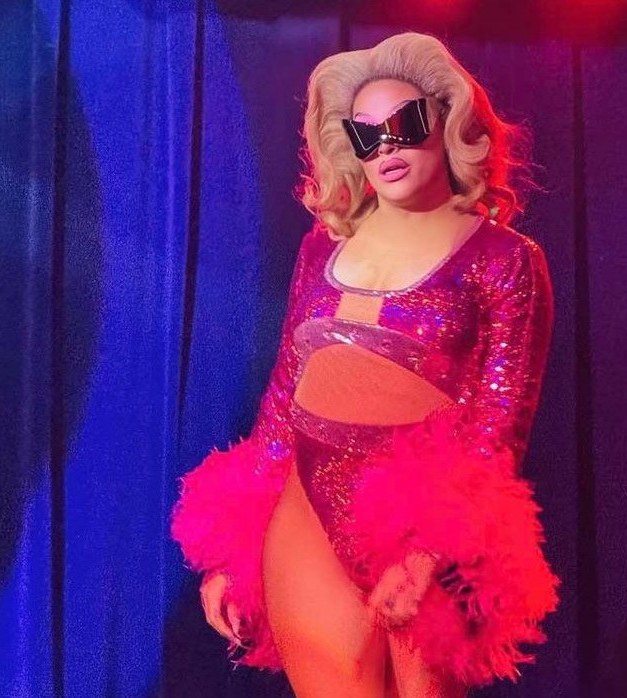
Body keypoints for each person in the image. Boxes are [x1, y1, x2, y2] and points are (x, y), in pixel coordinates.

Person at [171, 31, 559, 698]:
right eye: (366, 133)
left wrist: (433, 551)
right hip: (305, 511)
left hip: (419, 525)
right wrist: (234, 552)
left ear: (446, 123)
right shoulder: (321, 247)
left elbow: (499, 423)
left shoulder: (502, 259)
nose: (387, 147)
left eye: (405, 124)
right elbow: (284, 395)